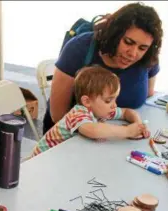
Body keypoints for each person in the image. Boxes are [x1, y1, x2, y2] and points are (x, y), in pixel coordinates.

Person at [43, 2, 163, 134]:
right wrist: (121, 133)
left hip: (120, 135)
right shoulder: (79, 48)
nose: (133, 54)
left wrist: (135, 127)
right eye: (128, 42)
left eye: (142, 48)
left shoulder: (148, 58)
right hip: (72, 137)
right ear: (114, 34)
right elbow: (57, 115)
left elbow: (149, 95)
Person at [32, 66, 150, 156]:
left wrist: (138, 125)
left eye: (115, 99)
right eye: (108, 100)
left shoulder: (102, 110)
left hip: (66, 156)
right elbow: (93, 130)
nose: (114, 105)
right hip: (42, 159)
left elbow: (127, 112)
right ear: (87, 101)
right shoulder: (78, 113)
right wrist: (127, 131)